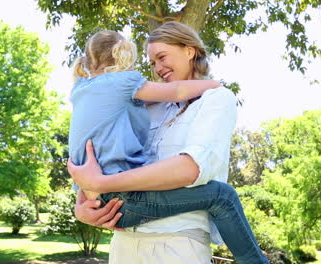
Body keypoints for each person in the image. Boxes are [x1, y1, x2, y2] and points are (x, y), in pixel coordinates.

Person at [68, 22, 269, 264]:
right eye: (152, 63)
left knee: (221, 196)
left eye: (162, 57)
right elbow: (100, 143)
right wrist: (83, 204)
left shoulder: (216, 98)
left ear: (189, 50)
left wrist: (100, 183)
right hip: (124, 246)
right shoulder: (146, 106)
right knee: (222, 197)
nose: (157, 68)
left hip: (176, 245)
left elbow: (190, 169)